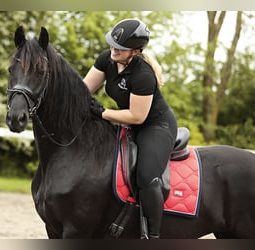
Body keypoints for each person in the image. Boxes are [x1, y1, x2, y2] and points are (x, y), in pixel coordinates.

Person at [83, 18, 178, 239]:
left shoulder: (143, 74)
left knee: (146, 176)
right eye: (112, 44)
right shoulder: (107, 58)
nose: (113, 49)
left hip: (155, 126)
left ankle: (151, 236)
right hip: (127, 120)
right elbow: (84, 89)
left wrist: (102, 112)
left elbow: (137, 116)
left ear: (135, 51)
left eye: (120, 47)